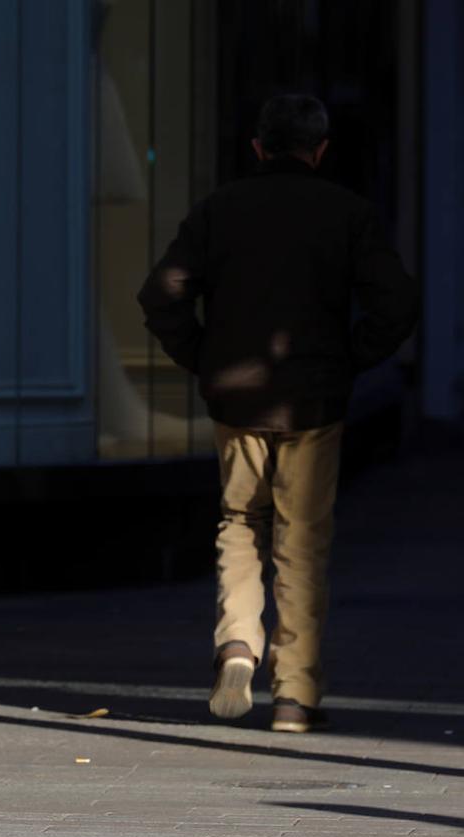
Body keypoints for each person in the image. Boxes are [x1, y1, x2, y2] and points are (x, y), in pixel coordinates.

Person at [137, 94, 419, 733]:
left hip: (235, 397)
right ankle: (294, 697)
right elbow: (397, 303)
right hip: (314, 399)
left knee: (240, 520)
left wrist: (202, 356)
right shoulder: (348, 213)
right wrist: (352, 358)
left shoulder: (219, 210)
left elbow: (161, 293)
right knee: (302, 541)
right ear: (319, 150)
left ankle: (237, 641)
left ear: (258, 147)